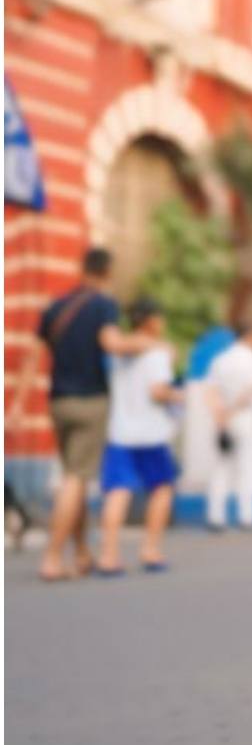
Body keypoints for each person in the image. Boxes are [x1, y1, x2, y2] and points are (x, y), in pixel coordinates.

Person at [5, 246, 158, 581]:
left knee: (73, 476)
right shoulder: (103, 305)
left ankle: (82, 552)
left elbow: (33, 357)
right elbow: (112, 343)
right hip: (90, 401)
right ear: (107, 272)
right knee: (75, 478)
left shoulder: (55, 306)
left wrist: (17, 404)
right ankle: (52, 557)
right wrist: (148, 343)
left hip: (58, 402)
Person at [96, 296, 180, 575]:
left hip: (120, 432)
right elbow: (158, 391)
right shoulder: (157, 352)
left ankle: (108, 555)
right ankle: (151, 550)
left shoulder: (118, 354)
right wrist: (179, 395)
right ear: (152, 321)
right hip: (151, 433)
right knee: (161, 488)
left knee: (118, 491)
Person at [204, 322, 252, 531]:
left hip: (222, 419)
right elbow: (251, 391)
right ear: (250, 335)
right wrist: (232, 411)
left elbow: (210, 391)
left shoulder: (220, 360)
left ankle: (215, 517)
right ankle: (247, 516)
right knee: (248, 467)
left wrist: (220, 416)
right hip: (245, 417)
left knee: (220, 468)